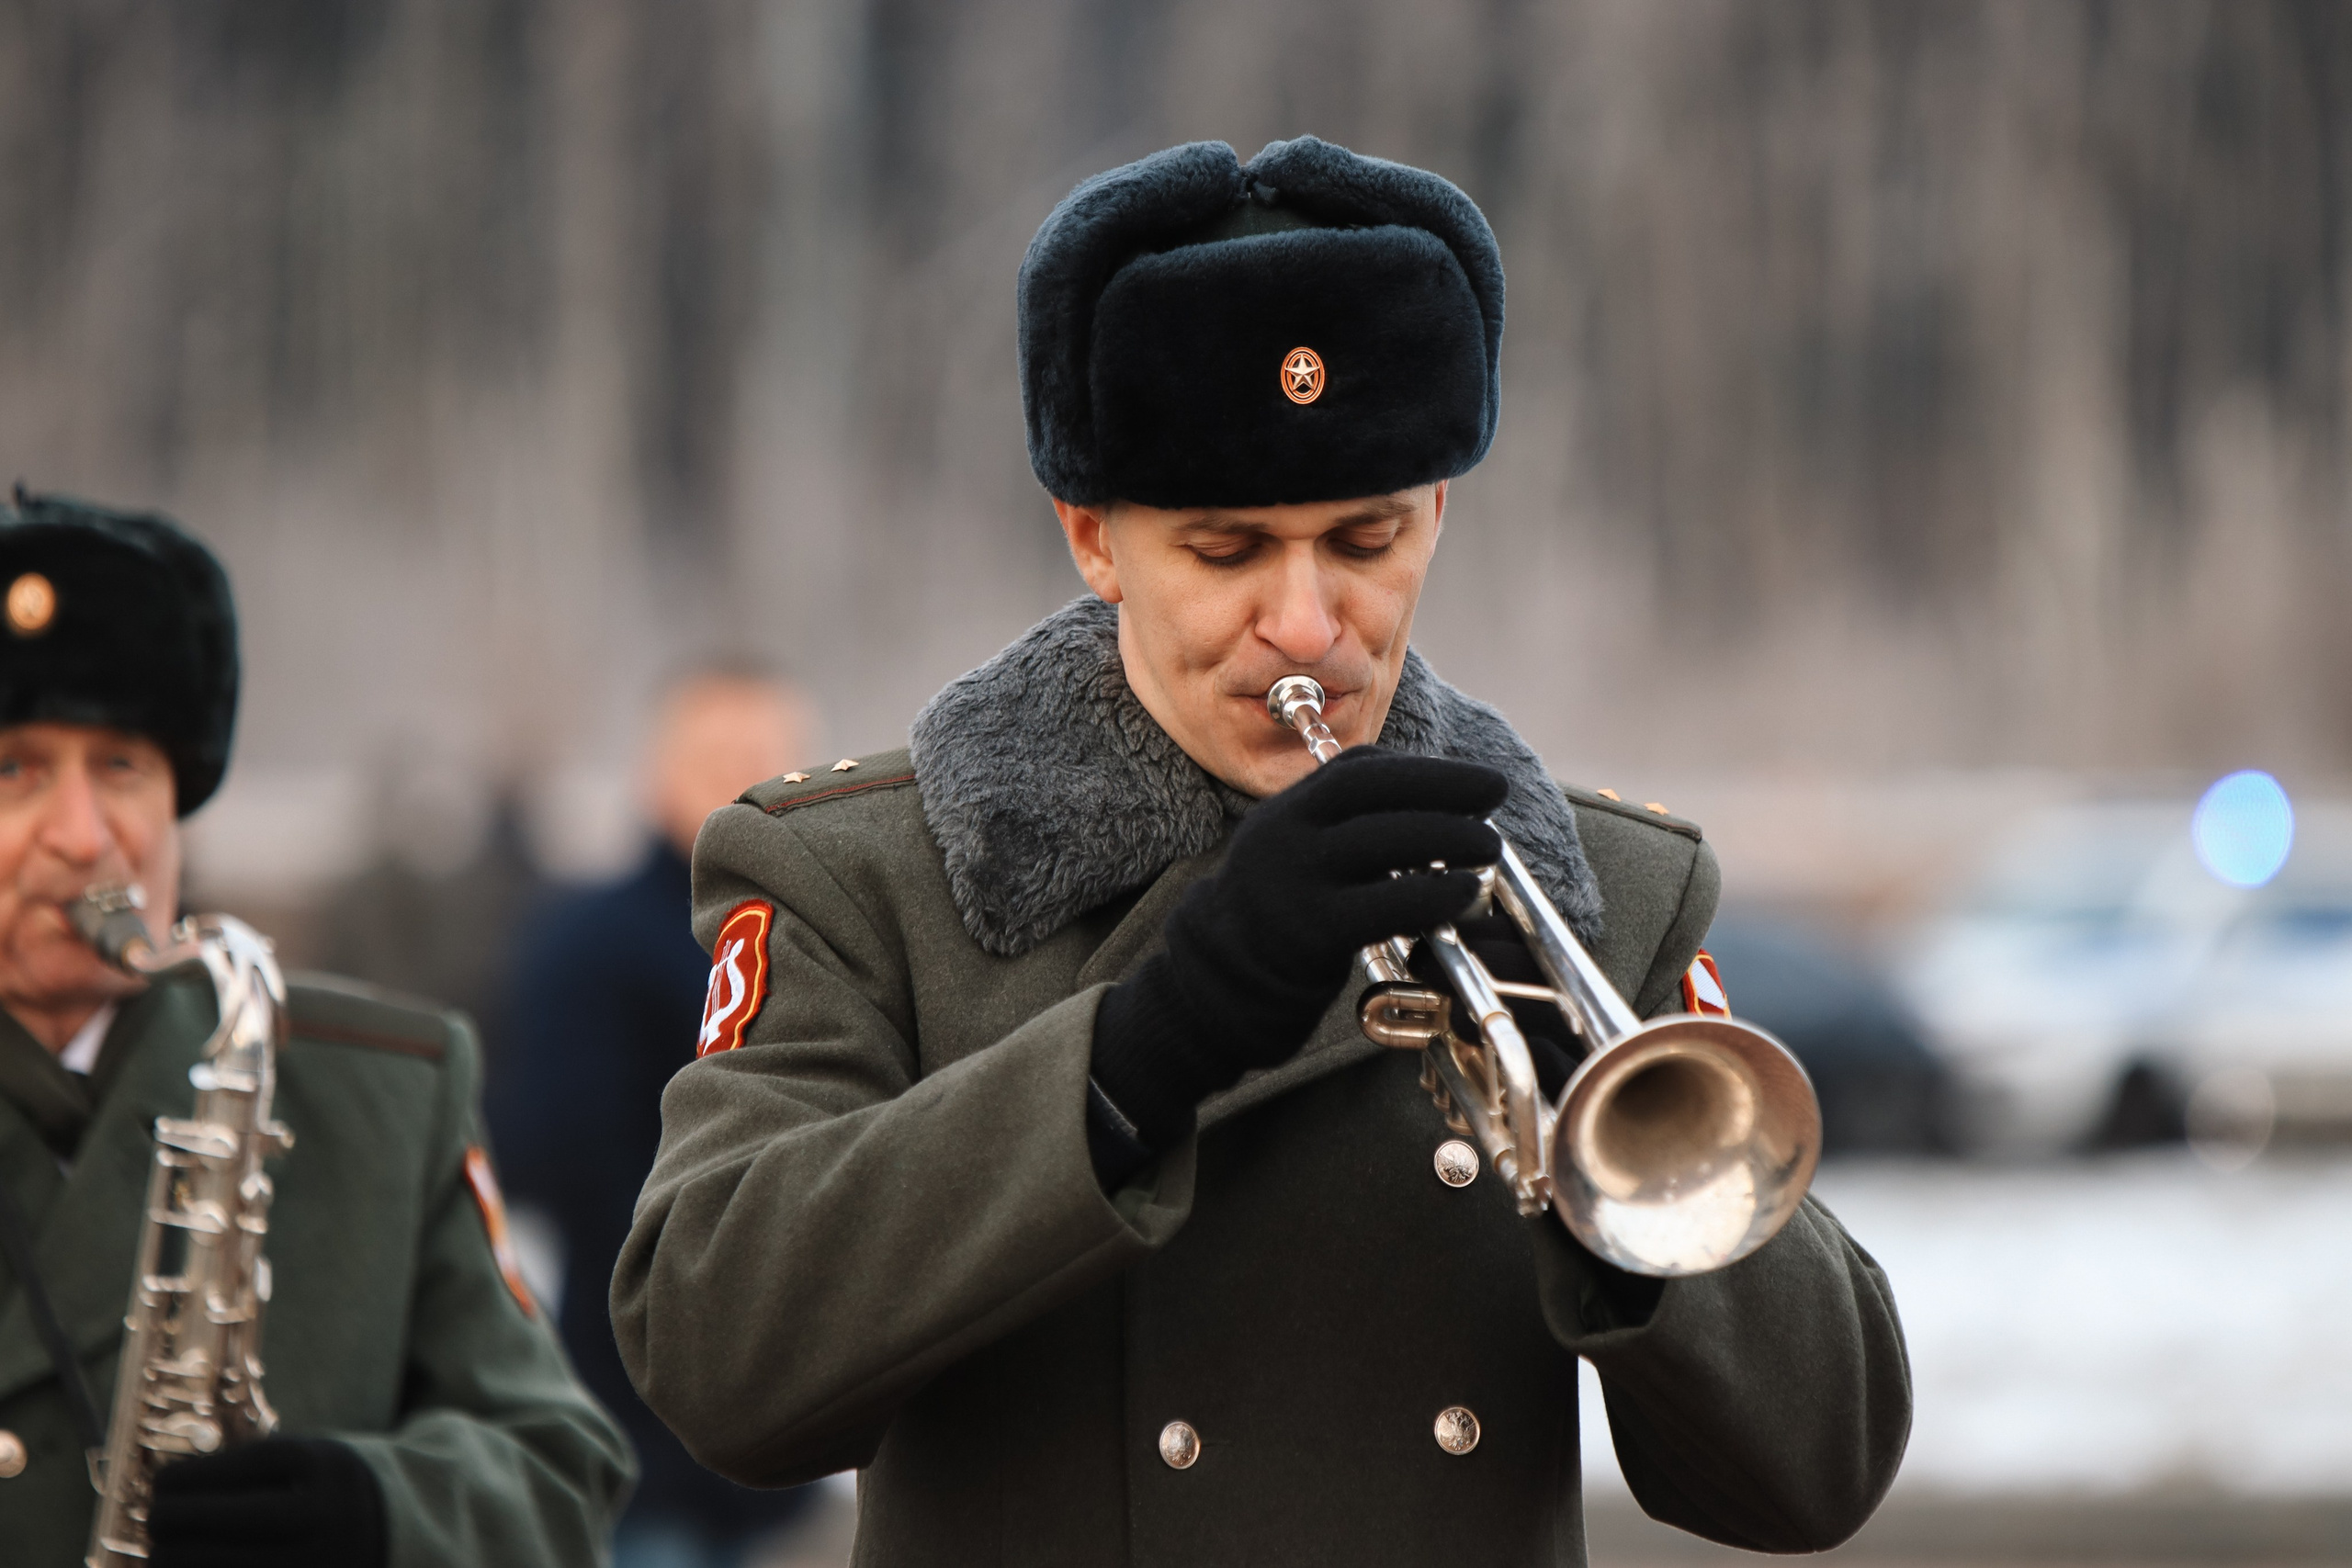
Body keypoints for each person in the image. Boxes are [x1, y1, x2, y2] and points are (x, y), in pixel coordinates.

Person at [614, 137, 1911, 1564]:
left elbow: (1820, 1464)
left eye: (1366, 538)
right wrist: (1140, 1053)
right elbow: (714, 1360)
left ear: (1438, 515)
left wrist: (1562, 1079)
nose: (1307, 622)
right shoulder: (864, 874)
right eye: (1228, 552)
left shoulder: (1603, 884)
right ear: (1093, 538)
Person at [0, 489, 634, 1567]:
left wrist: (379, 1509)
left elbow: (562, 1473)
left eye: (123, 768)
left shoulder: (386, 1088)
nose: (84, 835)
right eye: (16, 770)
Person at [490, 663, 814, 1568]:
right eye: (723, 758)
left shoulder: (811, 933)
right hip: (634, 1421)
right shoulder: (591, 944)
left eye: (773, 759)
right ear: (655, 771)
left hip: (773, 1418)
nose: (752, 784)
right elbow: (566, 1161)